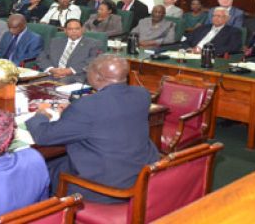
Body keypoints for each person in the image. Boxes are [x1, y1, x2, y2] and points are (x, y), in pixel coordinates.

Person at [27, 55, 159, 203]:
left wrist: (40, 115)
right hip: (141, 172)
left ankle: (48, 213)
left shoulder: (86, 107)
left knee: (39, 167)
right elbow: (110, 114)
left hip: (107, 188)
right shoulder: (142, 94)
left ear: (97, 76)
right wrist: (72, 113)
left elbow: (43, 136)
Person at [36, 19, 103, 83]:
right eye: (70, 29)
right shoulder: (55, 41)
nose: (74, 31)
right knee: (33, 82)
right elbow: (42, 57)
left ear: (82, 29)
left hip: (76, 76)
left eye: (77, 29)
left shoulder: (93, 43)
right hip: (52, 74)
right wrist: (51, 69)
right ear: (65, 30)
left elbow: (93, 61)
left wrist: (69, 71)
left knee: (61, 84)